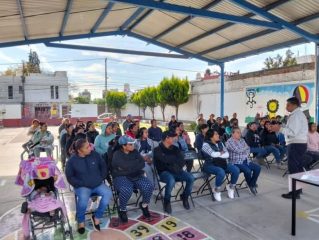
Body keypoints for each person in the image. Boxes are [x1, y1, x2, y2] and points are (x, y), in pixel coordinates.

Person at [65, 138, 112, 234]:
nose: (90, 148)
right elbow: (69, 176)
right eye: (87, 147)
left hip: (97, 183)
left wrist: (101, 177)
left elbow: (103, 165)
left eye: (89, 146)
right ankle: (81, 221)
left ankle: (97, 216)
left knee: (108, 193)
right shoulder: (72, 161)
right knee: (83, 198)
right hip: (82, 186)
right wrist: (81, 183)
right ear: (79, 151)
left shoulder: (95, 154)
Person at [112, 136, 154, 223]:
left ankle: (144, 205)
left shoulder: (134, 152)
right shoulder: (117, 154)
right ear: (124, 146)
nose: (133, 146)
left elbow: (142, 163)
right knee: (126, 189)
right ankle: (122, 209)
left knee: (149, 186)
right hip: (121, 176)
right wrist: (134, 164)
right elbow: (124, 165)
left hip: (136, 175)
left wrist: (127, 167)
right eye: (130, 144)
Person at [153, 131, 195, 214]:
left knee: (191, 177)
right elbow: (164, 160)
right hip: (164, 173)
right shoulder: (157, 150)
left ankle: (184, 197)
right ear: (166, 138)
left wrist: (171, 160)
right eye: (172, 138)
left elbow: (182, 160)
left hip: (177, 170)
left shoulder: (175, 148)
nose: (174, 139)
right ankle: (167, 201)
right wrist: (173, 159)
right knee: (171, 180)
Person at [281, 97, 308, 199]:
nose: (286, 107)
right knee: (298, 168)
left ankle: (294, 193)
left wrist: (280, 129)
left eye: (288, 105)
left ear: (294, 105)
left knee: (293, 168)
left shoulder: (296, 115)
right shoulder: (298, 114)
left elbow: (292, 133)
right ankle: (298, 190)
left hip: (295, 144)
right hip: (300, 144)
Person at [201, 129, 239, 201]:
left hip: (222, 163)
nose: (218, 135)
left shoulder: (220, 143)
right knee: (221, 172)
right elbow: (213, 154)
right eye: (216, 134)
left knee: (236, 170)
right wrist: (221, 153)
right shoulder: (205, 144)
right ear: (211, 137)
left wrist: (218, 154)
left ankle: (230, 187)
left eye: (217, 134)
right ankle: (216, 190)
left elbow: (227, 154)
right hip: (209, 165)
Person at [226, 127, 261, 195]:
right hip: (236, 162)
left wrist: (244, 149)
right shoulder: (229, 142)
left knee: (258, 168)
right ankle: (251, 185)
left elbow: (248, 150)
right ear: (232, 134)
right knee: (247, 170)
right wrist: (245, 148)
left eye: (240, 132)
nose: (240, 134)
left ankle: (251, 184)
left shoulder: (242, 140)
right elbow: (238, 150)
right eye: (238, 132)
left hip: (246, 160)